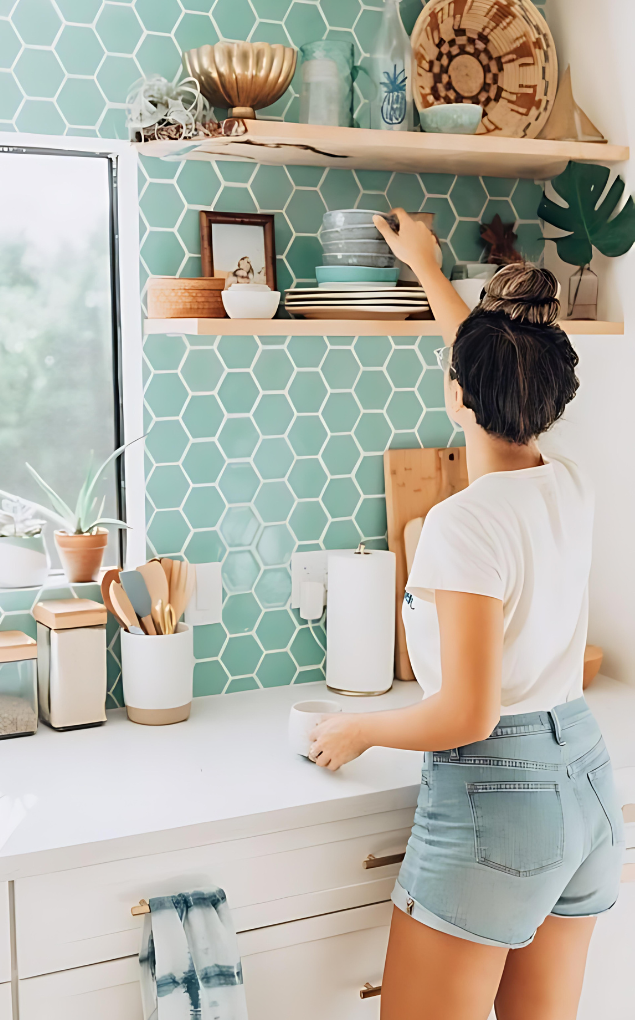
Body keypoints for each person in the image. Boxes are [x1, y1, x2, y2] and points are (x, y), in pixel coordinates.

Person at [308, 210, 625, 1020]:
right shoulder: (568, 479)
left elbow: (466, 713)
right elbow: (489, 365)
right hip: (586, 781)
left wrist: (360, 729)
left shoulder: (460, 523)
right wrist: (426, 268)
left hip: (499, 797)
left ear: (456, 389)